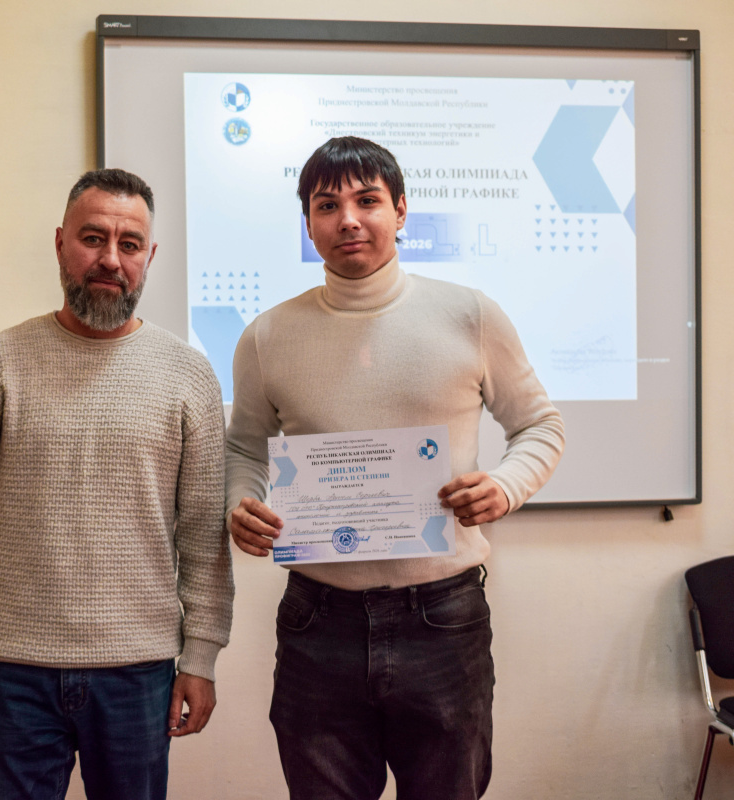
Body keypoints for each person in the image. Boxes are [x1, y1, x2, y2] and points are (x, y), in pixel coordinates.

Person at [225, 137, 564, 800]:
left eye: (368, 200)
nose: (348, 219)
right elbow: (244, 448)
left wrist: (504, 485)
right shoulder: (267, 335)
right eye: (327, 205)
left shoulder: (469, 315)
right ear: (309, 223)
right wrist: (240, 502)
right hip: (317, 621)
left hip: (443, 618)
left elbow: (539, 425)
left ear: (401, 211)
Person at [0, 168, 233, 800]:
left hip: (139, 670)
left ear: (149, 257)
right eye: (94, 238)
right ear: (61, 242)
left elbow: (204, 534)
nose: (110, 259)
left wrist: (200, 657)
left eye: (129, 244)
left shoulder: (188, 375)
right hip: (14, 669)